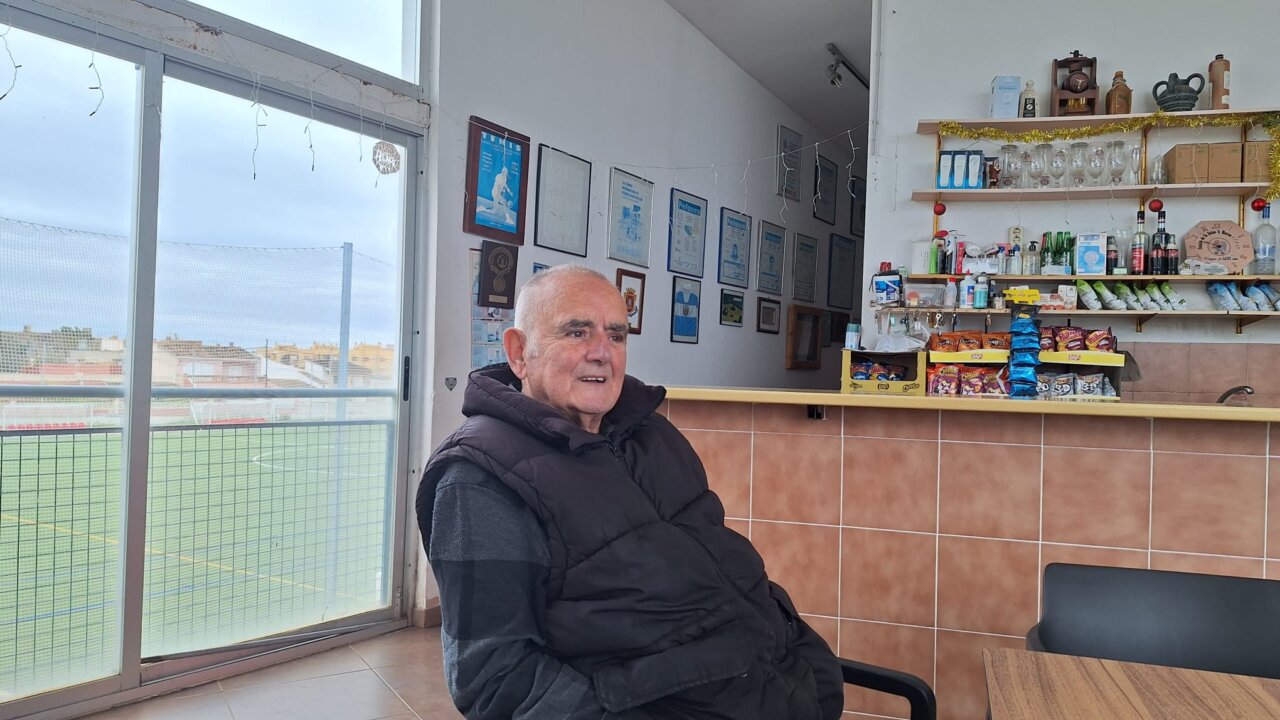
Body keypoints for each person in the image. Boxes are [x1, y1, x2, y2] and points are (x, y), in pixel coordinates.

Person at [417, 265, 843, 719]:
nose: (602, 352)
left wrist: (808, 663)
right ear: (519, 353)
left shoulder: (653, 434)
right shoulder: (480, 476)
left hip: (789, 688)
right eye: (577, 332)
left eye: (616, 335)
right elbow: (497, 681)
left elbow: (723, 571)